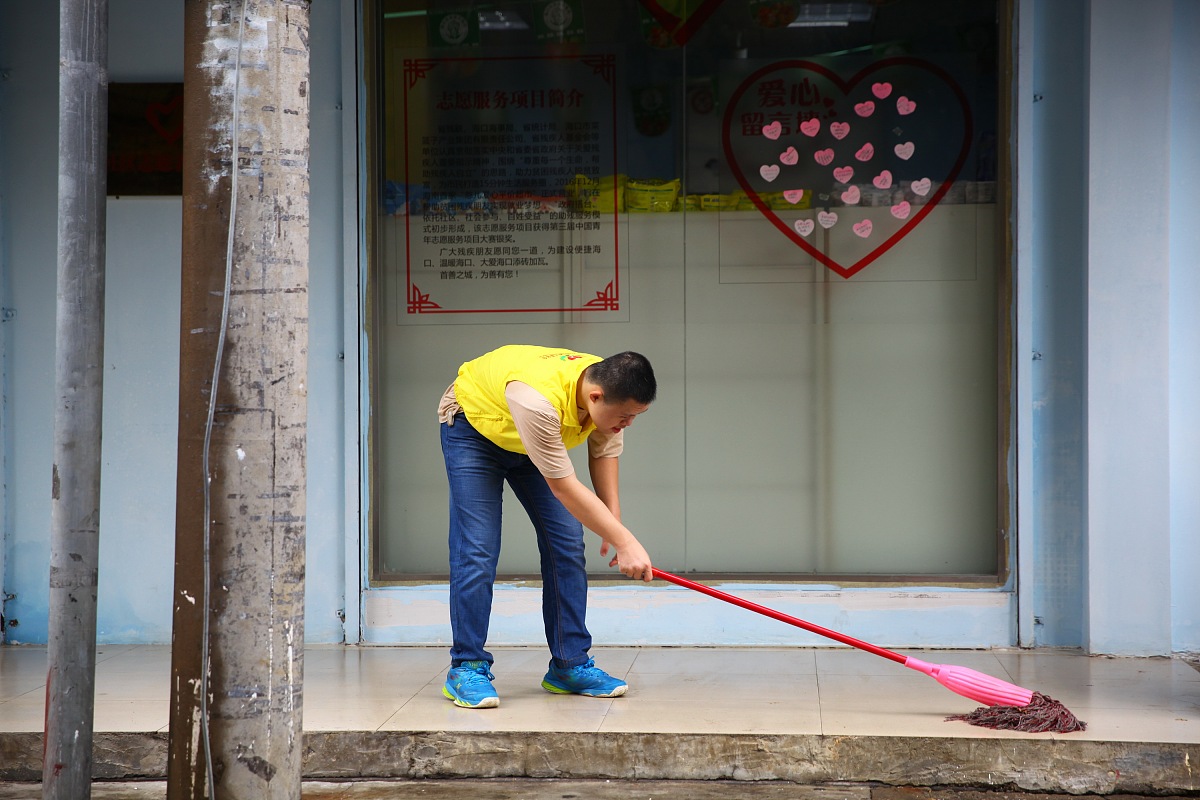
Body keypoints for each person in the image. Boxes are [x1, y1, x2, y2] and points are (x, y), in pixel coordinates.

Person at [437, 344, 657, 709]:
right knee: (478, 548)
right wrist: (626, 541)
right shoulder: (537, 401)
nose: (628, 423)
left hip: (529, 441)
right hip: (473, 429)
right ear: (596, 396)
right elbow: (562, 486)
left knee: (567, 542)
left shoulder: (606, 391)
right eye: (626, 416)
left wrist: (612, 523)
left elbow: (604, 452)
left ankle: (569, 665)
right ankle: (466, 665)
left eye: (635, 416)